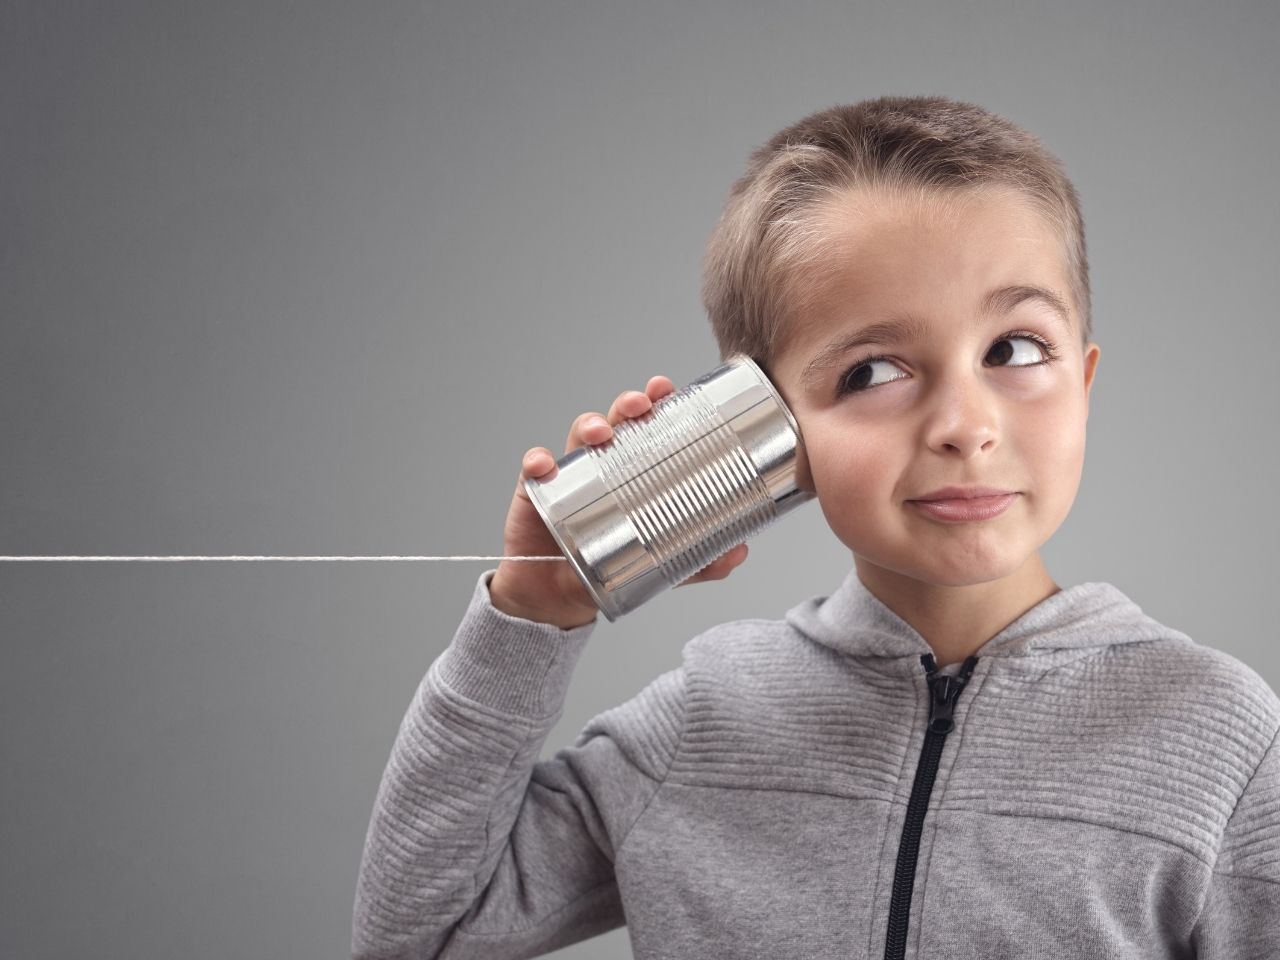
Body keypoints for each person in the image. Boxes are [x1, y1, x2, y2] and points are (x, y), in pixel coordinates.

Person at [351, 96, 1280, 959]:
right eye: (873, 372)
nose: (965, 423)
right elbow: (421, 931)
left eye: (1015, 349)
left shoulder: (1222, 739)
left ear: (1082, 382)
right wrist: (534, 612)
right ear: (763, 426)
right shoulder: (705, 721)